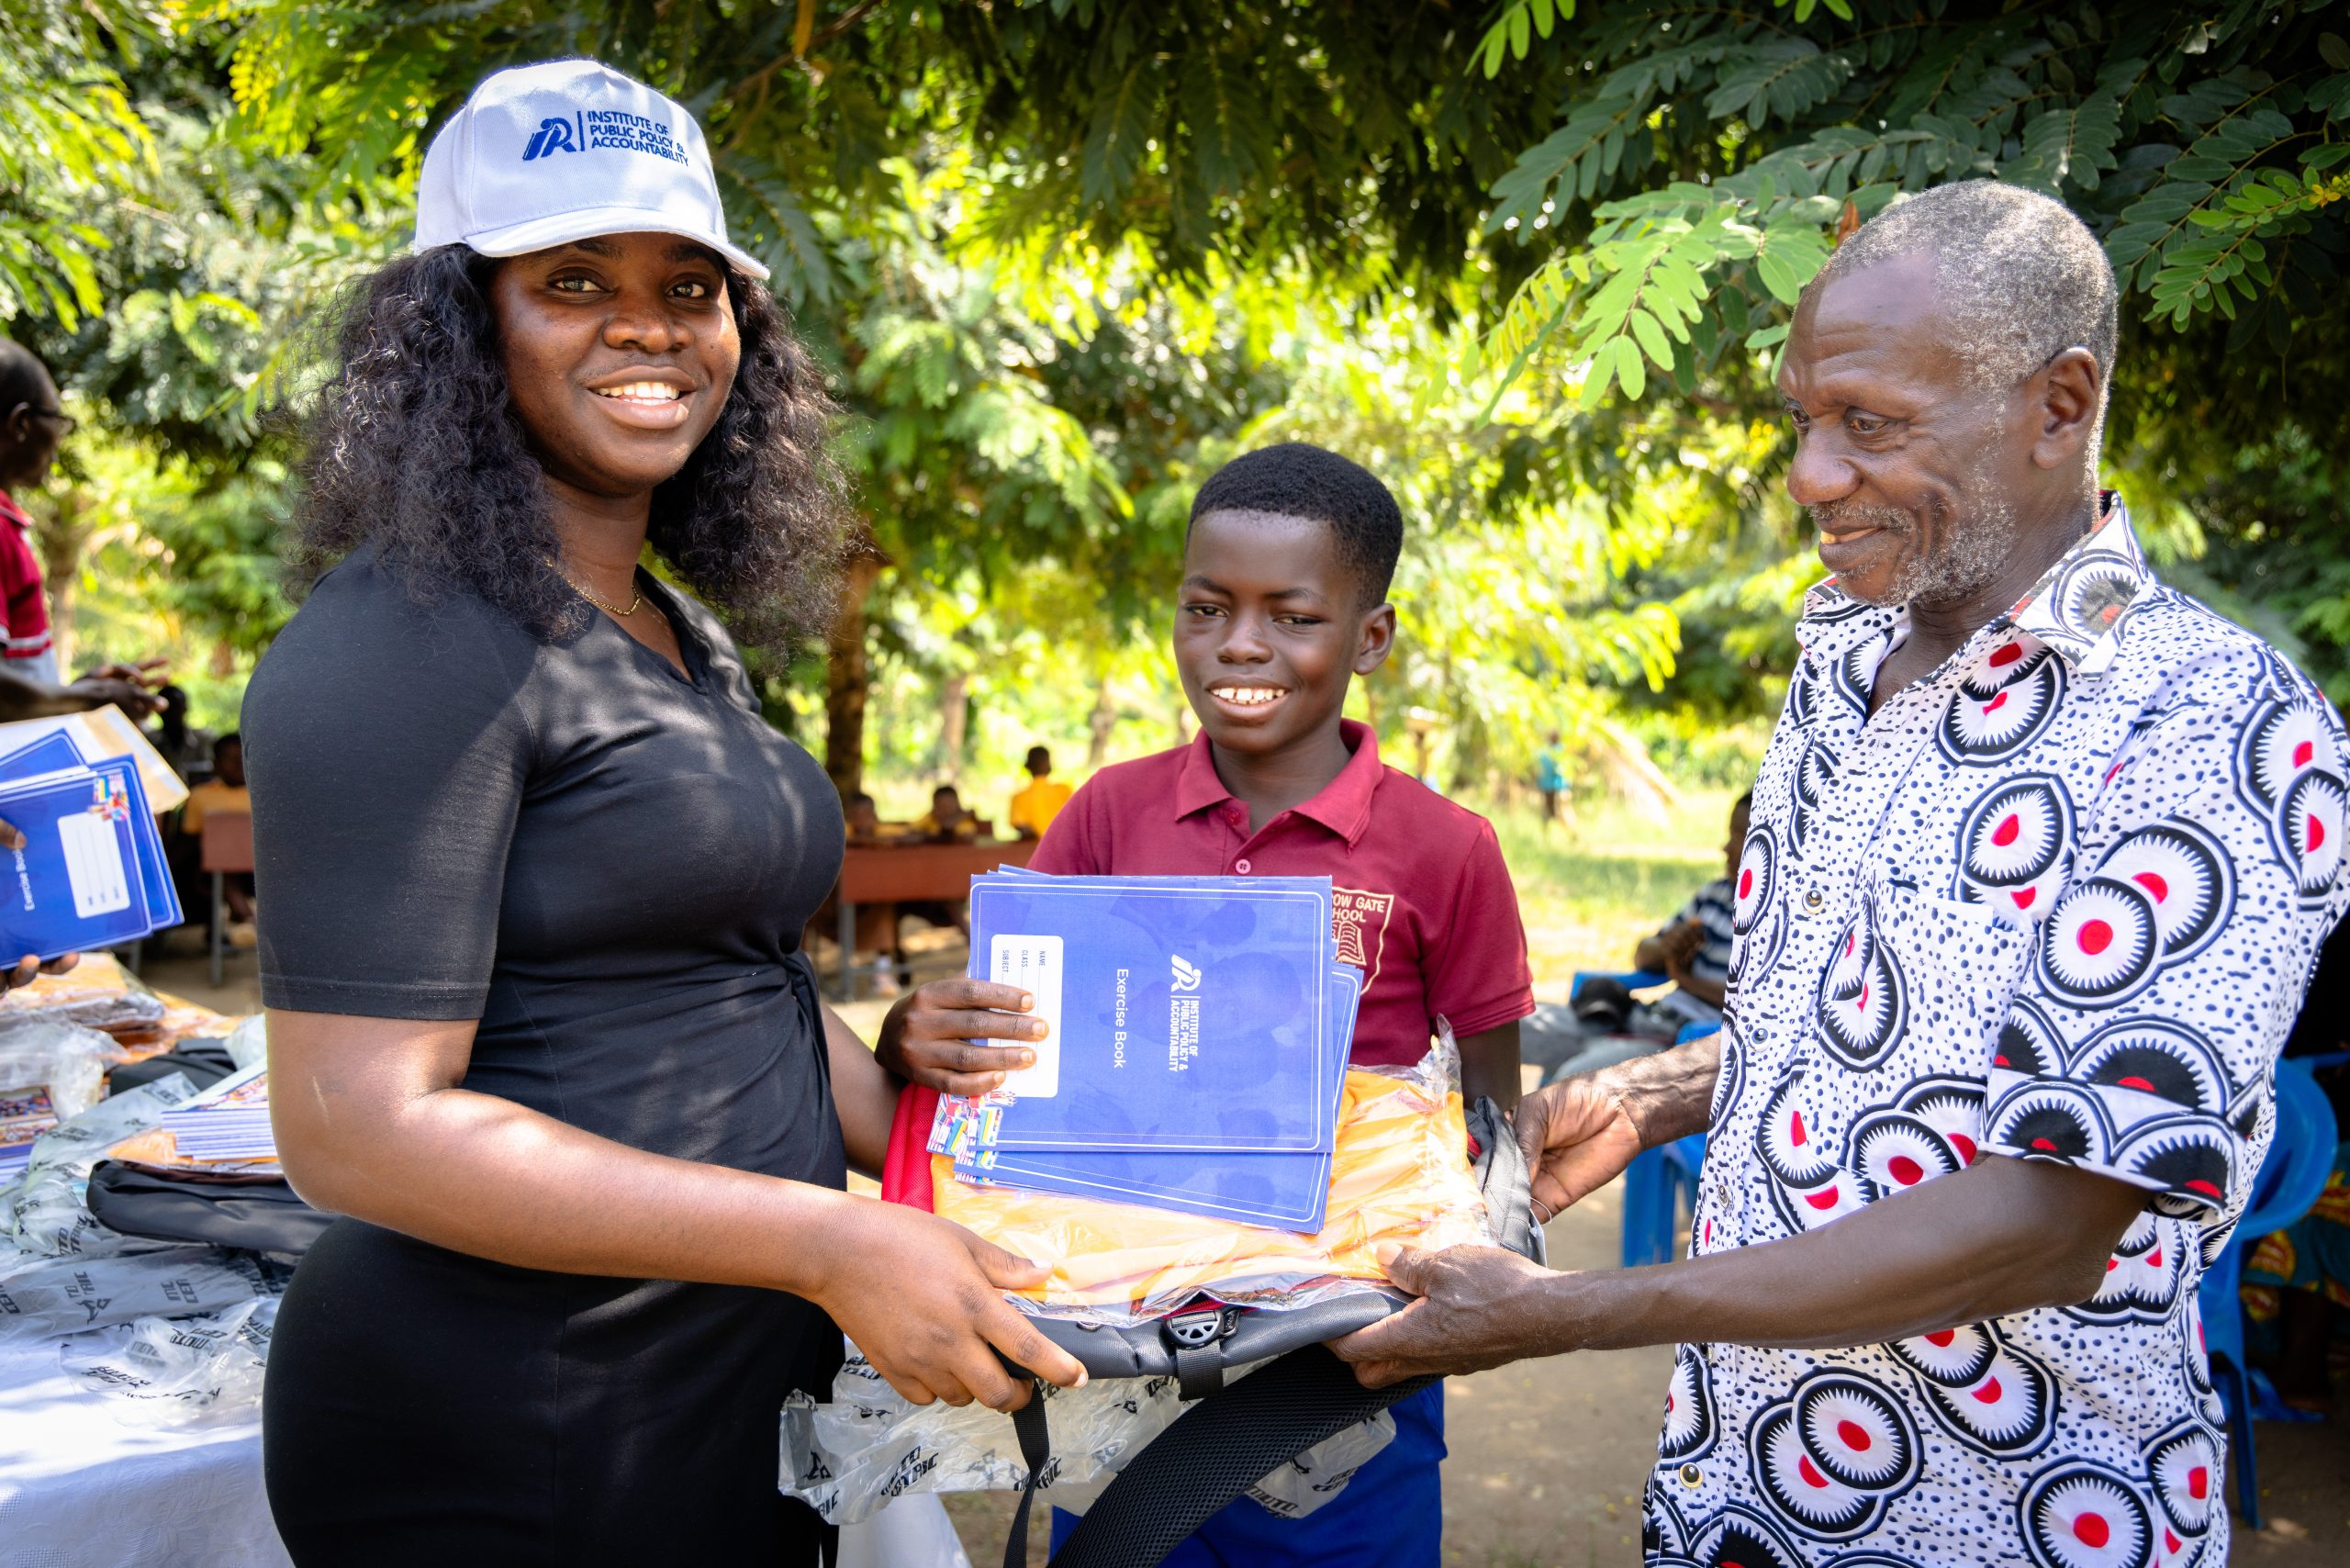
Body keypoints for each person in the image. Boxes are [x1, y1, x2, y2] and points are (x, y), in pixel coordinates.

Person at [1331, 181, 2350, 1567]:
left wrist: (1571, 1312)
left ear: (2059, 406)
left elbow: (2049, 1215)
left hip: (2013, 1523)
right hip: (1733, 1497)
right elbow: (1877, 1024)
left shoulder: (2213, 725)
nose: (1811, 475)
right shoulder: (1845, 659)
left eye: (1870, 424)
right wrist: (1656, 1093)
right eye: (1804, 420)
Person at [241, 61, 1080, 1568]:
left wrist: (909, 1104)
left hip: (714, 1402)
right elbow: (355, 1128)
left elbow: (731, 977)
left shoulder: (675, 626)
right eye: (575, 280)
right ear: (462, 324)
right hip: (509, 1424)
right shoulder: (405, 639)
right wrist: (824, 1237)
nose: (648, 326)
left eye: (690, 287)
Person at [881, 441, 1535, 1567]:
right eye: (1206, 607)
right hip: (1125, 1340)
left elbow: (1488, 1115)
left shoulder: (1445, 848)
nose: (1239, 643)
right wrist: (916, 1033)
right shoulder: (1109, 813)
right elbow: (1018, 1039)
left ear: (1370, 637)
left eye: (1293, 615)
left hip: (1341, 1368)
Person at [1518, 791, 1747, 1084]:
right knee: (1506, 1027)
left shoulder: (1778, 921)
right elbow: (1643, 955)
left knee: (1570, 1083)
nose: (1725, 848)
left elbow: (1755, 1008)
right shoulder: (1715, 895)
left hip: (1681, 1043)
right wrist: (1667, 946)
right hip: (1640, 1018)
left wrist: (1686, 979)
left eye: (1739, 837)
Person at [178, 733, 255, 936]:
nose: (238, 765)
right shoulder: (200, 796)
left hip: (260, 869)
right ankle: (247, 919)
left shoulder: (265, 795)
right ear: (216, 764)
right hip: (212, 874)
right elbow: (189, 840)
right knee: (219, 861)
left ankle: (244, 919)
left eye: (243, 757)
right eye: (230, 758)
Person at [1006, 744, 1072, 839]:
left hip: (1037, 847)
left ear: (1027, 766)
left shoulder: (1019, 797)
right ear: (1049, 766)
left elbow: (1021, 827)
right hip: (1063, 844)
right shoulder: (1064, 790)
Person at [914, 781, 983, 841]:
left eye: (949, 807)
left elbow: (966, 836)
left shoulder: (964, 823)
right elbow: (911, 832)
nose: (945, 811)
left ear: (958, 806)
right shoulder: (930, 818)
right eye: (941, 807)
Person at [1534, 730, 1567, 826]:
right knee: (1551, 807)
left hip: (1552, 785)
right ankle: (1550, 825)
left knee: (1552, 807)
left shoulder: (1548, 750)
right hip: (1552, 784)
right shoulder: (1551, 750)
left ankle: (1552, 824)